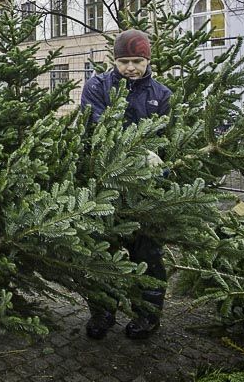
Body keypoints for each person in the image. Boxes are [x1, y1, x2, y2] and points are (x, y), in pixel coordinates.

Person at [79, 28, 172, 340]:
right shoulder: (97, 86)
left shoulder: (161, 94)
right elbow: (99, 124)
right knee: (102, 249)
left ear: (147, 60)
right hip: (105, 182)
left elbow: (169, 140)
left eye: (137, 60)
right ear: (114, 61)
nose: (131, 67)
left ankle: (148, 315)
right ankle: (103, 312)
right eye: (124, 61)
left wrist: (162, 165)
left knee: (147, 253)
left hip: (146, 187)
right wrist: (139, 148)